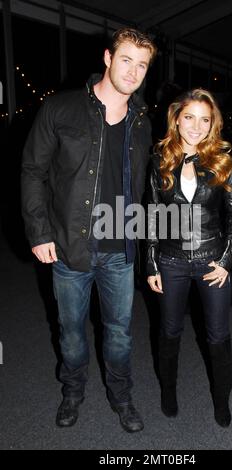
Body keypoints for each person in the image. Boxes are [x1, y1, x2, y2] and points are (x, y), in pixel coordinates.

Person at [21, 28, 157, 433]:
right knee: (73, 334)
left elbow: (147, 187)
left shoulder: (143, 122)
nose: (133, 71)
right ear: (108, 58)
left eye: (142, 65)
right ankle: (73, 392)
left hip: (120, 248)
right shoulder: (60, 110)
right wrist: (39, 232)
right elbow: (32, 171)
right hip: (69, 246)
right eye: (127, 60)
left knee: (119, 335)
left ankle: (122, 397)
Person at [146, 89, 232, 427]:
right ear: (176, 119)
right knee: (169, 332)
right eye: (189, 117)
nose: (196, 126)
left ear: (213, 123)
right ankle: (168, 391)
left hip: (212, 261)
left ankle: (222, 399)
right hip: (170, 261)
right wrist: (151, 264)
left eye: (205, 119)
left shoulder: (223, 160)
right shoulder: (159, 159)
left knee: (217, 336)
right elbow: (153, 215)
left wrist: (227, 261)